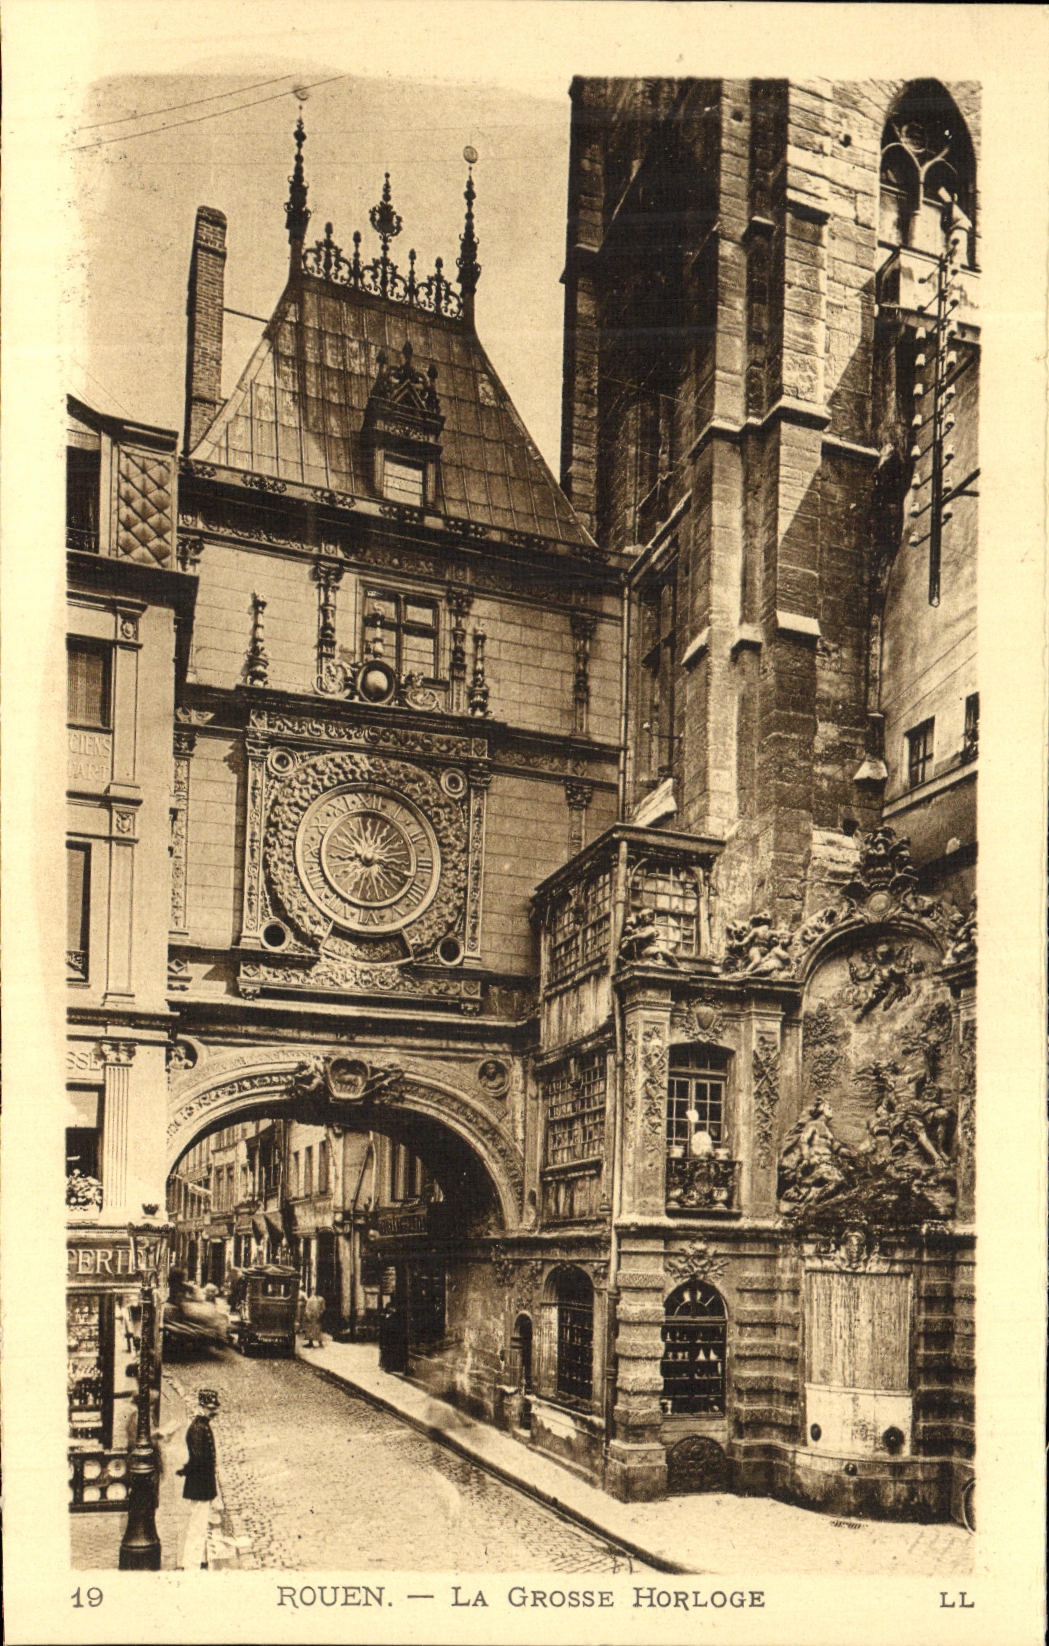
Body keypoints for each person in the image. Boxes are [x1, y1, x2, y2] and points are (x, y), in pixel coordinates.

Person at [175, 1388, 220, 1570]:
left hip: (203, 1485)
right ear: (201, 1407)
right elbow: (198, 1459)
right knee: (197, 1527)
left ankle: (198, 1560)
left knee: (200, 1526)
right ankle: (191, 1564)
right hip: (200, 1485)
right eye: (210, 1408)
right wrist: (185, 1471)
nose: (213, 1411)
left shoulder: (202, 1426)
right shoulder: (197, 1429)